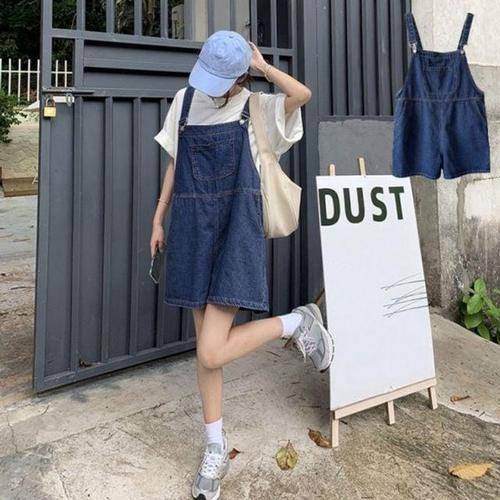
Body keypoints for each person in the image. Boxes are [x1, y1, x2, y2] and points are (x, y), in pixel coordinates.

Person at [151, 30, 334, 500]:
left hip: (235, 232)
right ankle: (215, 445)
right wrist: (158, 218)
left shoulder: (258, 107)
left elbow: (302, 95)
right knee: (205, 351)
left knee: (212, 352)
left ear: (239, 77)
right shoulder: (185, 102)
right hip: (192, 229)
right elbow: (174, 164)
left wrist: (264, 67)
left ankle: (295, 323)